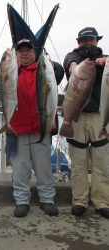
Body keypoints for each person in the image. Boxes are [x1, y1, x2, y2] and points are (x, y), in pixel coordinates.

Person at [7, 39, 64, 218]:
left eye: (28, 50)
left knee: (44, 167)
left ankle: (47, 199)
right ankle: (22, 200)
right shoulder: (10, 72)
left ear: (34, 52)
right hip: (17, 129)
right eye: (20, 51)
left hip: (42, 127)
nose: (24, 53)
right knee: (20, 169)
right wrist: (10, 67)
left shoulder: (45, 70)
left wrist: (50, 62)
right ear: (16, 54)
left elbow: (61, 71)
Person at [63, 27, 109, 219]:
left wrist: (104, 61)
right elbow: (69, 62)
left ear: (97, 42)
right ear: (78, 42)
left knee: (102, 162)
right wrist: (74, 66)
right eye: (84, 41)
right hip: (77, 116)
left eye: (91, 40)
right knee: (79, 162)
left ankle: (102, 201)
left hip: (100, 116)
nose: (87, 44)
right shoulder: (72, 57)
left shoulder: (105, 59)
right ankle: (79, 200)